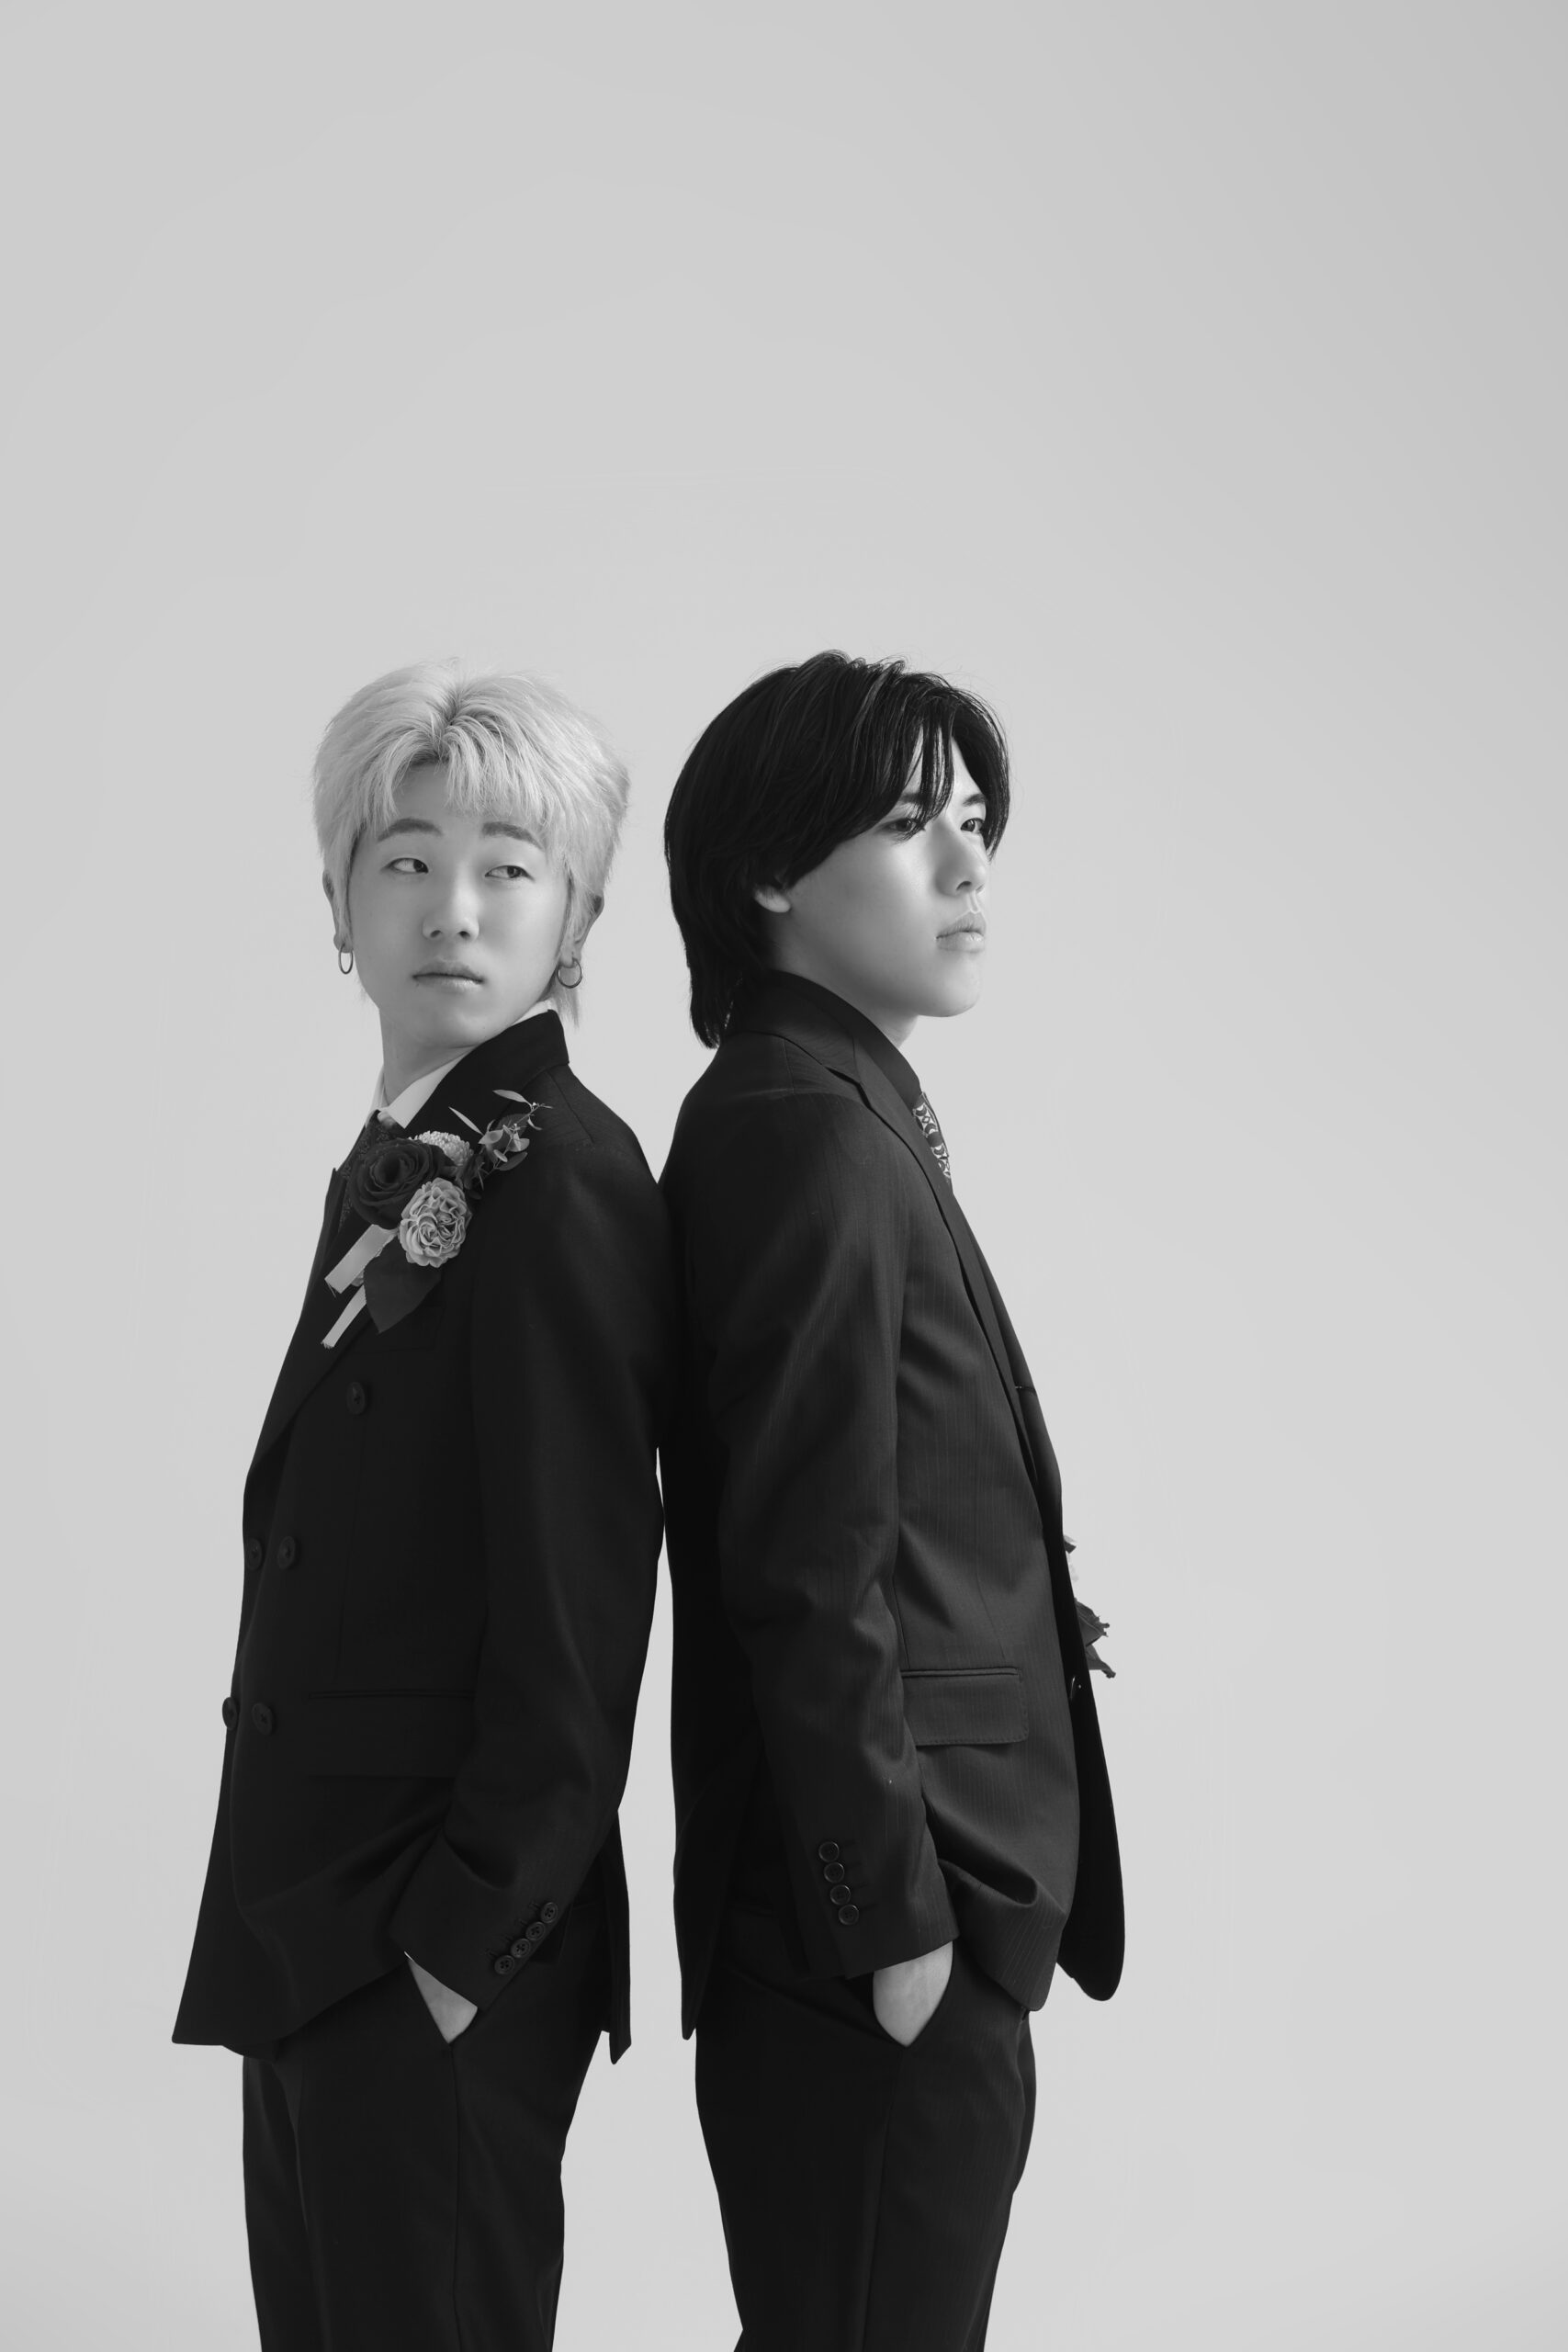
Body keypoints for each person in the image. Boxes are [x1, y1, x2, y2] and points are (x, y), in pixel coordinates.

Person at [174, 663, 674, 2352]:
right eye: (404, 860)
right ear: (338, 903)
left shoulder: (558, 1176)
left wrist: (461, 1954)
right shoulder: (410, 1150)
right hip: (312, 1930)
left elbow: (581, 1615)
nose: (452, 907)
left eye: (507, 867)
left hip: (433, 1951)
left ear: (577, 919)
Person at [660, 650, 1122, 2352]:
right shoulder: (806, 1127)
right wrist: (896, 1931)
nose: (968, 859)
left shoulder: (840, 1107)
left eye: (978, 820)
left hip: (905, 1920)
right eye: (913, 820)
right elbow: (805, 1559)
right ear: (772, 872)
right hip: (879, 1932)